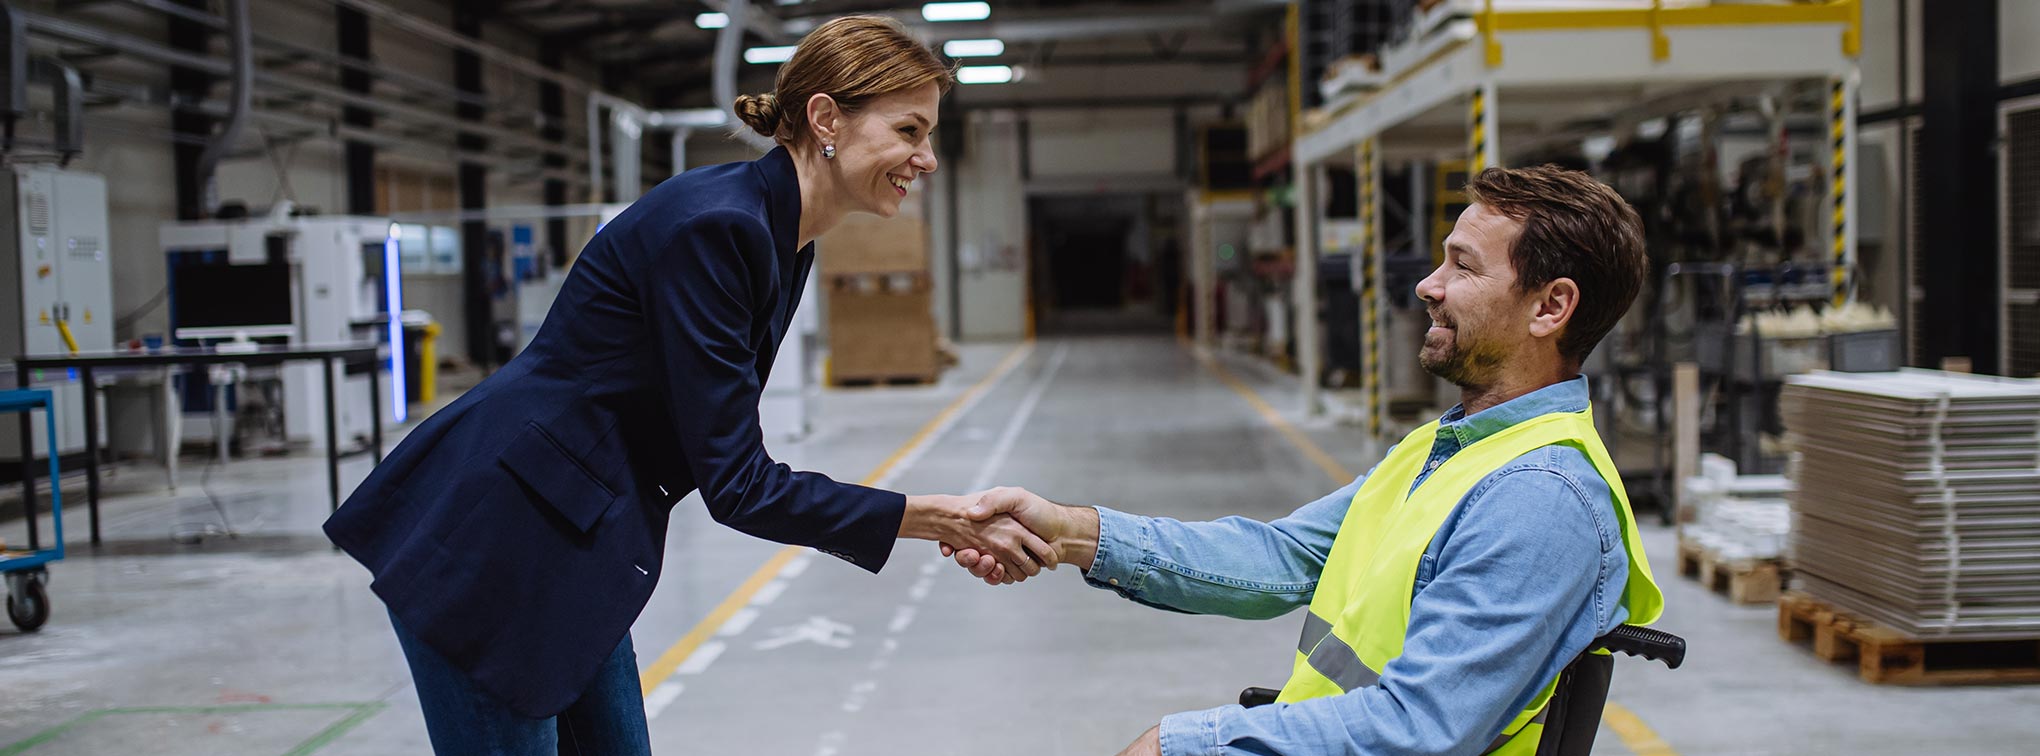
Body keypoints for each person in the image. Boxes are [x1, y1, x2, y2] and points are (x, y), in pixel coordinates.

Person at [325, 16, 1054, 755]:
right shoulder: (719, 228)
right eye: (909, 130)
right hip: (498, 543)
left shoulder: (777, 233)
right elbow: (739, 485)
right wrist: (936, 516)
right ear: (826, 118)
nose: (926, 158)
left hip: (577, 542)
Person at [949, 165, 1666, 756]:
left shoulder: (1540, 497)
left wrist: (1188, 743)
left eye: (1462, 266)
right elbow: (1280, 558)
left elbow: (1421, 730)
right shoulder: (1448, 448)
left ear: (1551, 307)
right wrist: (1071, 532)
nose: (1428, 284)